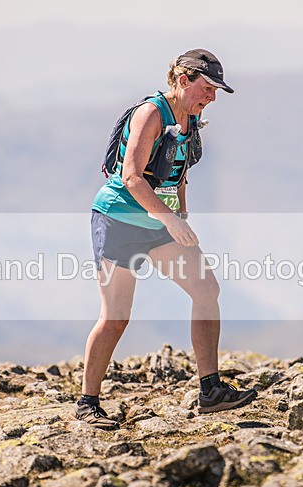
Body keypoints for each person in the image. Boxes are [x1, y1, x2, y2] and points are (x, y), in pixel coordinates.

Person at [74, 49, 257, 430]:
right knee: (116, 318)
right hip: (119, 221)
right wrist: (171, 219)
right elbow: (132, 177)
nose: (212, 97)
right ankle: (87, 404)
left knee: (206, 290)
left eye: (216, 91)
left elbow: (179, 172)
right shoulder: (151, 114)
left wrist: (182, 215)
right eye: (207, 88)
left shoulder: (191, 118)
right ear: (183, 80)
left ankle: (210, 390)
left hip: (160, 223)